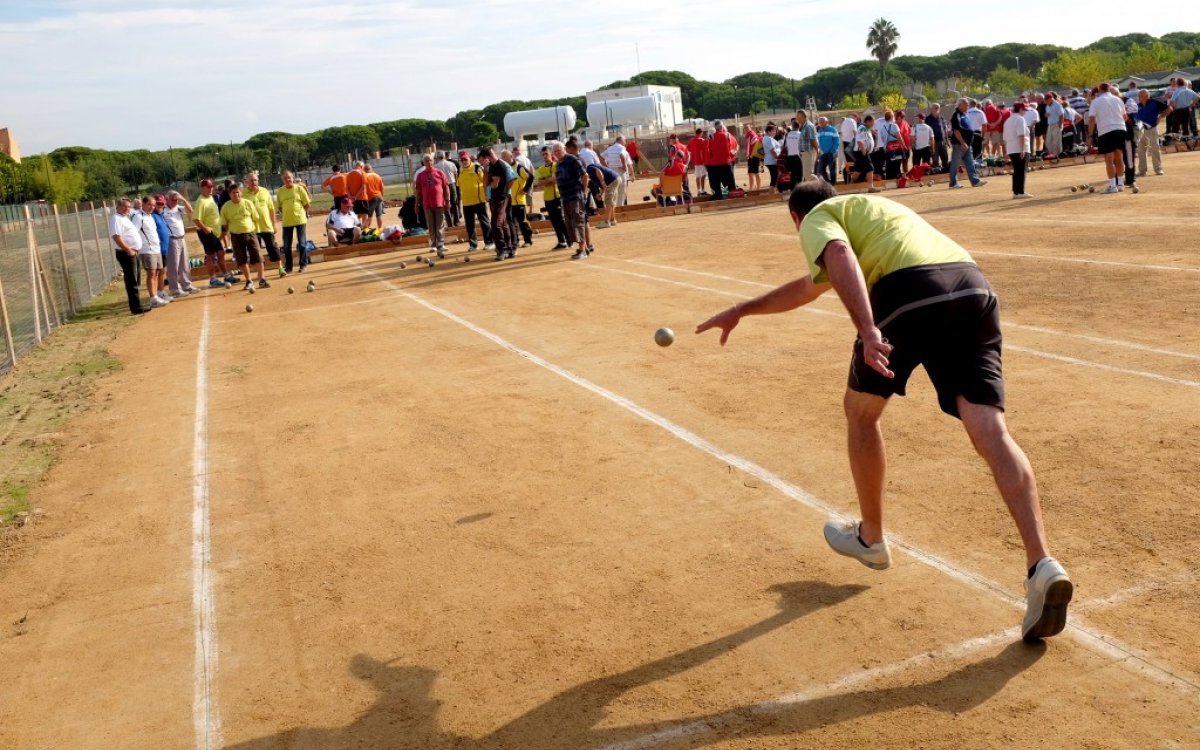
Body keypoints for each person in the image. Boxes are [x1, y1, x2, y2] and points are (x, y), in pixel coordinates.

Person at [694, 179, 1073, 644]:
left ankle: (871, 539)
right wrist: (743, 309)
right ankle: (1042, 564)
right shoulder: (871, 209)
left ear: (797, 218)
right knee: (991, 431)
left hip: (909, 292)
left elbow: (837, 257)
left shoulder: (817, 217)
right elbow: (810, 286)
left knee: (861, 414)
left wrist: (869, 329)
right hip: (971, 287)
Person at [220, 182, 268, 291]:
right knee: (241, 259)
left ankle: (262, 279)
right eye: (233, 193)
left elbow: (255, 218)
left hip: (250, 233)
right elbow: (224, 224)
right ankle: (249, 281)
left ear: (240, 193)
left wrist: (253, 231)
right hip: (236, 236)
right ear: (229, 194)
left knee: (257, 256)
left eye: (237, 192)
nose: (235, 195)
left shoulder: (248, 203)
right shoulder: (225, 207)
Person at [109, 198, 151, 314]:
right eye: (125, 206)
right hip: (126, 253)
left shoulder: (124, 218)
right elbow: (116, 237)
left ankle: (137, 304)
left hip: (133, 252)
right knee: (131, 280)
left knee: (136, 279)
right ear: (118, 206)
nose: (127, 209)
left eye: (128, 206)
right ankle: (136, 308)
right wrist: (128, 249)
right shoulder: (116, 219)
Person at [1088, 83, 1129, 194]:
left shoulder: (1095, 102)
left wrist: (1090, 136)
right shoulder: (1118, 99)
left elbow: (1091, 120)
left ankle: (1112, 186)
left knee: (1109, 159)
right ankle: (1120, 184)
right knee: (1119, 157)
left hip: (1106, 130)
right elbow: (1125, 117)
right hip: (1120, 128)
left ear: (1100, 91)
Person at [193, 179, 233, 287]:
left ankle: (226, 276)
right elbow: (196, 219)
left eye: (211, 186)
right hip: (207, 233)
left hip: (214, 232)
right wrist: (206, 229)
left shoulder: (210, 197)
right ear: (202, 188)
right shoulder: (201, 201)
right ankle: (213, 279)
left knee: (221, 253)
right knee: (210, 256)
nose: (211, 189)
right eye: (208, 187)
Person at [556, 138, 591, 260]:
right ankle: (584, 247)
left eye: (558, 150)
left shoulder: (572, 160)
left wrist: (584, 191)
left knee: (578, 222)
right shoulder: (559, 163)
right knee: (570, 223)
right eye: (554, 151)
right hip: (565, 198)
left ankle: (582, 250)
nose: (557, 153)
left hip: (575, 197)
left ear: (564, 149)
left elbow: (585, 175)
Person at [132, 197, 169, 307]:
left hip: (156, 248)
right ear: (143, 204)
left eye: (153, 205)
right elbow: (134, 233)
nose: (152, 207)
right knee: (151, 273)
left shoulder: (150, 216)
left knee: (157, 273)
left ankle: (156, 295)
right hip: (147, 250)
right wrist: (138, 248)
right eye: (149, 205)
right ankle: (153, 298)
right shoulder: (138, 217)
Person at [480, 147, 516, 260]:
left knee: (496, 224)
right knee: (503, 223)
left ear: (487, 157)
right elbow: (485, 182)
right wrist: (485, 169)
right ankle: (508, 248)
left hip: (502, 198)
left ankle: (502, 249)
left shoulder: (501, 165)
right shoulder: (490, 166)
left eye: (482, 159)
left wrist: (504, 191)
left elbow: (495, 184)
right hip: (495, 198)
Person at [244, 171, 281, 275]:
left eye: (255, 180)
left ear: (258, 181)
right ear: (247, 182)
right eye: (251, 180)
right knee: (256, 252)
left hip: (266, 226)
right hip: (252, 228)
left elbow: (271, 209)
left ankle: (280, 268)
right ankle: (261, 274)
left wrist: (274, 224)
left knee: (273, 247)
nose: (253, 182)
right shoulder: (243, 194)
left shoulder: (264, 191)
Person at [162, 191, 198, 296]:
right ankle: (174, 288)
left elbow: (190, 210)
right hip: (171, 239)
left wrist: (183, 199)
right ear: (167, 199)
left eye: (177, 200)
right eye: (173, 200)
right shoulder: (163, 210)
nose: (175, 202)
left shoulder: (178, 207)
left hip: (181, 238)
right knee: (173, 265)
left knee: (184, 263)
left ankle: (186, 285)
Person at [415, 153, 451, 257]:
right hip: (427, 204)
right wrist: (416, 204)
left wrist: (447, 200)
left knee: (440, 224)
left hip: (439, 202)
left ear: (433, 161)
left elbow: (446, 187)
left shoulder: (440, 173)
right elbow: (418, 191)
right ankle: (434, 244)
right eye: (426, 160)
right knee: (431, 225)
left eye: (430, 160)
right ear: (424, 162)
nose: (429, 162)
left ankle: (440, 244)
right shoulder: (420, 175)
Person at [275, 170, 312, 273]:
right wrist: (288, 212)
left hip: (300, 220)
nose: (287, 180)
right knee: (287, 246)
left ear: (293, 178)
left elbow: (307, 204)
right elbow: (279, 207)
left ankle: (303, 265)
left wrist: (300, 212)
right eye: (285, 178)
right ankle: (289, 267)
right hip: (287, 222)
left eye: (289, 177)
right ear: (282, 180)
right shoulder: (280, 191)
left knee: (302, 243)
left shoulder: (299, 189)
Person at [457, 151, 492, 252]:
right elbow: (459, 184)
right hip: (467, 202)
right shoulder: (460, 170)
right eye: (462, 160)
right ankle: (473, 245)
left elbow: (485, 181)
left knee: (484, 222)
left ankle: (489, 242)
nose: (464, 161)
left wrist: (486, 195)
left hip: (479, 201)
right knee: (469, 225)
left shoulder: (476, 168)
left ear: (469, 159)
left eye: (465, 159)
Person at [947, 99, 986, 189]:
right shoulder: (956, 115)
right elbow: (956, 130)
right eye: (966, 104)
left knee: (970, 163)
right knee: (955, 164)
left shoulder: (965, 115)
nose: (968, 106)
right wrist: (962, 142)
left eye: (968, 104)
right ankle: (953, 183)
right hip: (959, 144)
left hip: (967, 144)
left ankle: (975, 181)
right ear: (960, 105)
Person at [536, 146, 569, 250]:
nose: (545, 156)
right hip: (548, 198)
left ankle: (569, 240)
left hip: (557, 196)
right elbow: (539, 184)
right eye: (543, 154)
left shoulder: (556, 165)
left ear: (551, 154)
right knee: (554, 221)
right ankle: (561, 241)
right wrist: (548, 180)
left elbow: (555, 180)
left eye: (547, 154)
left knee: (561, 219)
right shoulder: (540, 169)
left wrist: (547, 180)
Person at [505, 150, 535, 248]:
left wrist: (526, 189)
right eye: (502, 157)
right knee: (512, 223)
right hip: (509, 201)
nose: (504, 159)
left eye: (505, 157)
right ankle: (515, 241)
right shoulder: (505, 169)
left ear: (511, 156)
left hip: (519, 201)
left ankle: (528, 240)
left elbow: (531, 177)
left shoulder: (519, 167)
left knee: (523, 221)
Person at [1134, 89, 1167, 176]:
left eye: (1143, 96)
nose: (1141, 98)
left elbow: (1169, 108)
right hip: (1140, 130)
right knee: (1141, 150)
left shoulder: (1155, 102)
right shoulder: (1138, 106)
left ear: (1148, 96)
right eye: (1140, 96)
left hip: (1152, 128)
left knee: (1155, 149)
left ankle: (1158, 169)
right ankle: (1142, 170)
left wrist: (1160, 117)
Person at [1004, 101, 1032, 199]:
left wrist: (1007, 151)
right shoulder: (1020, 119)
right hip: (1019, 148)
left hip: (1011, 148)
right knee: (1021, 170)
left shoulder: (1008, 120)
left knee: (1017, 170)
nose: (1025, 111)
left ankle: (1016, 192)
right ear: (1020, 109)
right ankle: (1020, 191)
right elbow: (1021, 135)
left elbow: (1005, 138)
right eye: (1024, 109)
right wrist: (1022, 149)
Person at [705, 121, 737, 199]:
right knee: (730, 181)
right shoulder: (727, 135)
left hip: (714, 163)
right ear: (722, 127)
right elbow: (732, 147)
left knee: (716, 182)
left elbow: (709, 150)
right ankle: (732, 194)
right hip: (726, 161)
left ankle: (718, 196)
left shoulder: (711, 137)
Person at [785, 111, 818, 184]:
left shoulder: (808, 126)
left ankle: (821, 187)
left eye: (798, 117)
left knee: (807, 174)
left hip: (809, 152)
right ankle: (815, 189)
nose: (797, 119)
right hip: (804, 153)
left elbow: (813, 140)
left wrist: (817, 151)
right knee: (806, 174)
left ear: (803, 117)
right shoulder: (803, 126)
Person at [587, 160, 621, 227]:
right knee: (611, 202)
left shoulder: (589, 168)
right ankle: (612, 220)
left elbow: (598, 171)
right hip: (616, 179)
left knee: (608, 202)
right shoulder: (592, 177)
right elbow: (602, 186)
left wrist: (603, 183)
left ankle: (606, 222)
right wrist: (601, 194)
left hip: (612, 180)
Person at [851, 114, 880, 193]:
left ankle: (850, 183)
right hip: (861, 151)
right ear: (867, 121)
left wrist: (871, 130)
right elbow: (859, 140)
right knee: (870, 168)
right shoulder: (862, 128)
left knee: (859, 170)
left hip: (862, 152)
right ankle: (871, 187)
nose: (873, 124)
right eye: (872, 122)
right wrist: (863, 150)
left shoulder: (866, 128)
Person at [433, 153, 460, 226]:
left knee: (445, 204)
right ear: (444, 156)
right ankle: (456, 221)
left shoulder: (435, 166)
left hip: (442, 186)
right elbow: (456, 174)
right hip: (452, 183)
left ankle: (449, 222)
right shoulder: (451, 164)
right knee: (454, 203)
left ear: (437, 158)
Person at [815, 116, 840, 184]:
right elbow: (818, 142)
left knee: (832, 169)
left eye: (822, 122)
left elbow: (837, 141)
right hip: (823, 153)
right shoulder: (819, 131)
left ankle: (833, 183)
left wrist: (832, 151)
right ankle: (828, 181)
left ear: (826, 122)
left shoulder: (833, 130)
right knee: (821, 169)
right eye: (819, 123)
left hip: (831, 152)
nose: (820, 124)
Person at [687, 129, 709, 195]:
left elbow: (688, 150)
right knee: (703, 175)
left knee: (698, 176)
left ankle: (699, 190)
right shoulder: (701, 140)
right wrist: (703, 161)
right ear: (701, 133)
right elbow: (701, 151)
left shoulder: (692, 141)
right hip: (702, 161)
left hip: (695, 161)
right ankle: (702, 190)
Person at [363, 164, 386, 230]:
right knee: (379, 216)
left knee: (369, 216)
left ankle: (366, 230)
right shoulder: (377, 176)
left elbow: (363, 188)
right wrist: (382, 196)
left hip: (371, 198)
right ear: (371, 169)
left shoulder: (365, 176)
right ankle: (379, 230)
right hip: (379, 197)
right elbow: (382, 188)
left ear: (364, 170)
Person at [927, 103, 948, 172]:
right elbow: (927, 132)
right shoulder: (928, 119)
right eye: (935, 107)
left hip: (943, 141)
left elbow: (945, 129)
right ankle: (937, 174)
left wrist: (947, 140)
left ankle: (945, 172)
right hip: (934, 142)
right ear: (931, 109)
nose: (936, 109)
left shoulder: (941, 118)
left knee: (945, 158)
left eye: (937, 108)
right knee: (935, 160)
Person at [838, 114, 859, 183]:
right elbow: (855, 132)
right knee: (853, 162)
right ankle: (852, 180)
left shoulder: (844, 122)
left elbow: (841, 133)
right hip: (851, 143)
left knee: (848, 162)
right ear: (855, 117)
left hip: (844, 143)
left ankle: (847, 180)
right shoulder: (852, 121)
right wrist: (857, 142)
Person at [1044, 93, 1065, 158]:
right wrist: (1046, 115)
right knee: (1048, 141)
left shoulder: (1057, 105)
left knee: (1056, 141)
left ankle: (1057, 155)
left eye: (1046, 100)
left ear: (1050, 99)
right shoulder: (1047, 106)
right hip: (1050, 125)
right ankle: (1051, 154)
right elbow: (1046, 114)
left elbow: (1061, 115)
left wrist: (1060, 124)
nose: (1045, 102)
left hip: (1056, 124)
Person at [762, 123, 782, 189]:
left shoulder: (767, 138)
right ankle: (772, 194)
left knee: (775, 177)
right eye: (773, 131)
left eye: (775, 131)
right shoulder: (769, 139)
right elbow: (772, 151)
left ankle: (773, 193)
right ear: (768, 131)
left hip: (770, 160)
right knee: (774, 178)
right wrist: (778, 158)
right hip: (772, 161)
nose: (775, 132)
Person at [743, 125, 762, 191]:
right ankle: (752, 188)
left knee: (755, 172)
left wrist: (752, 154)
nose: (745, 130)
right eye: (745, 128)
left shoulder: (751, 134)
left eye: (746, 128)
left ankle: (757, 188)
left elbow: (756, 144)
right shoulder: (749, 134)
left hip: (754, 156)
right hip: (752, 156)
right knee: (751, 172)